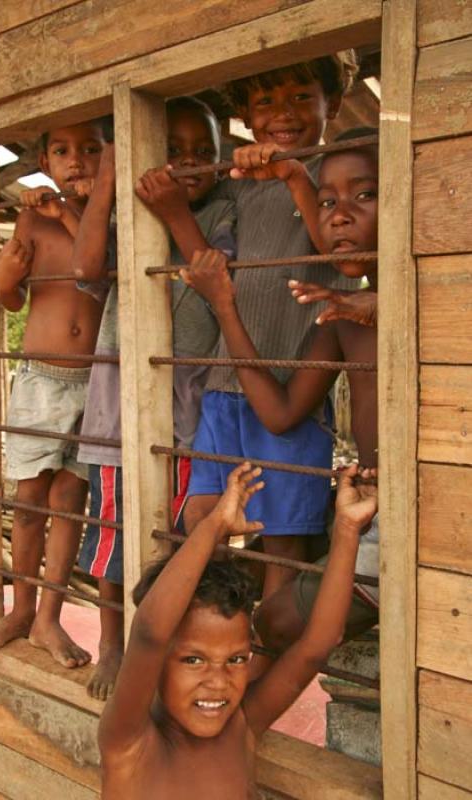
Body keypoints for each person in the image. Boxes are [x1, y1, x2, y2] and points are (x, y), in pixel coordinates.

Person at [182, 129, 380, 652]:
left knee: (285, 609)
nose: (340, 216)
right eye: (327, 202)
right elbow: (279, 413)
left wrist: (386, 304)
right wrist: (226, 305)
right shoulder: (339, 317)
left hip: (435, 512)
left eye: (365, 195)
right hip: (376, 511)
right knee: (277, 613)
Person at [71, 96, 235, 700]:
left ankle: (169, 641)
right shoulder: (123, 216)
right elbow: (87, 266)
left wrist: (170, 208)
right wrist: (112, 172)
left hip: (190, 416)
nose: (188, 164)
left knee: (178, 538)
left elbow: (209, 271)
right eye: (173, 152)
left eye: (203, 153)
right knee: (113, 536)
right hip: (119, 412)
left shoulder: (224, 211)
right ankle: (114, 642)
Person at [98, 461, 377, 798]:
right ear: (155, 661)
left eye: (236, 660)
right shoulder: (129, 743)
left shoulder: (242, 725)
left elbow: (319, 644)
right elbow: (150, 632)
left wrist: (347, 528)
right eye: (193, 661)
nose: (218, 682)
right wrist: (214, 525)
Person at [0, 120, 110, 667]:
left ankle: (49, 620)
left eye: (91, 150)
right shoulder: (30, 215)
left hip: (96, 381)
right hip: (43, 380)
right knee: (28, 503)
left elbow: (99, 265)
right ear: (45, 162)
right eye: (62, 151)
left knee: (68, 503)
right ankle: (20, 608)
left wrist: (70, 213)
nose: (76, 160)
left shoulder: (108, 219)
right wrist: (5, 275)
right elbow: (10, 299)